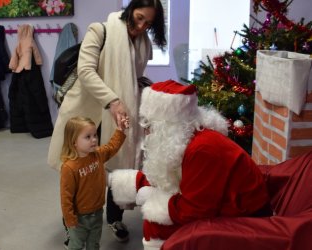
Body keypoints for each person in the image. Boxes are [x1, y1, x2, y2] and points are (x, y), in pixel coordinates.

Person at [48, 0, 167, 245]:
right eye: (139, 17)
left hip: (119, 113)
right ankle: (73, 222)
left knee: (118, 165)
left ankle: (114, 217)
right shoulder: (99, 30)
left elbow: (133, 77)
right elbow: (86, 71)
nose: (142, 26)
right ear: (130, 10)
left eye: (148, 22)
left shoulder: (143, 44)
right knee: (81, 169)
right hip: (87, 113)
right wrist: (113, 100)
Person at [108, 80, 271, 250]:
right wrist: (127, 184)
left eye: (150, 124)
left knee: (156, 225)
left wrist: (154, 202)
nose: (147, 132)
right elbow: (174, 179)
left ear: (166, 126)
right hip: (222, 202)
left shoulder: (201, 150)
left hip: (244, 217)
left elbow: (195, 210)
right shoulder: (187, 137)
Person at [60, 116, 128, 250]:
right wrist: (69, 219)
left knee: (94, 243)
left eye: (95, 135)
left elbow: (111, 148)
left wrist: (120, 130)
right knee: (77, 245)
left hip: (97, 212)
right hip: (79, 218)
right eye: (88, 137)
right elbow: (65, 197)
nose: (94, 140)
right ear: (74, 141)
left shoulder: (97, 155)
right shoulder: (69, 167)